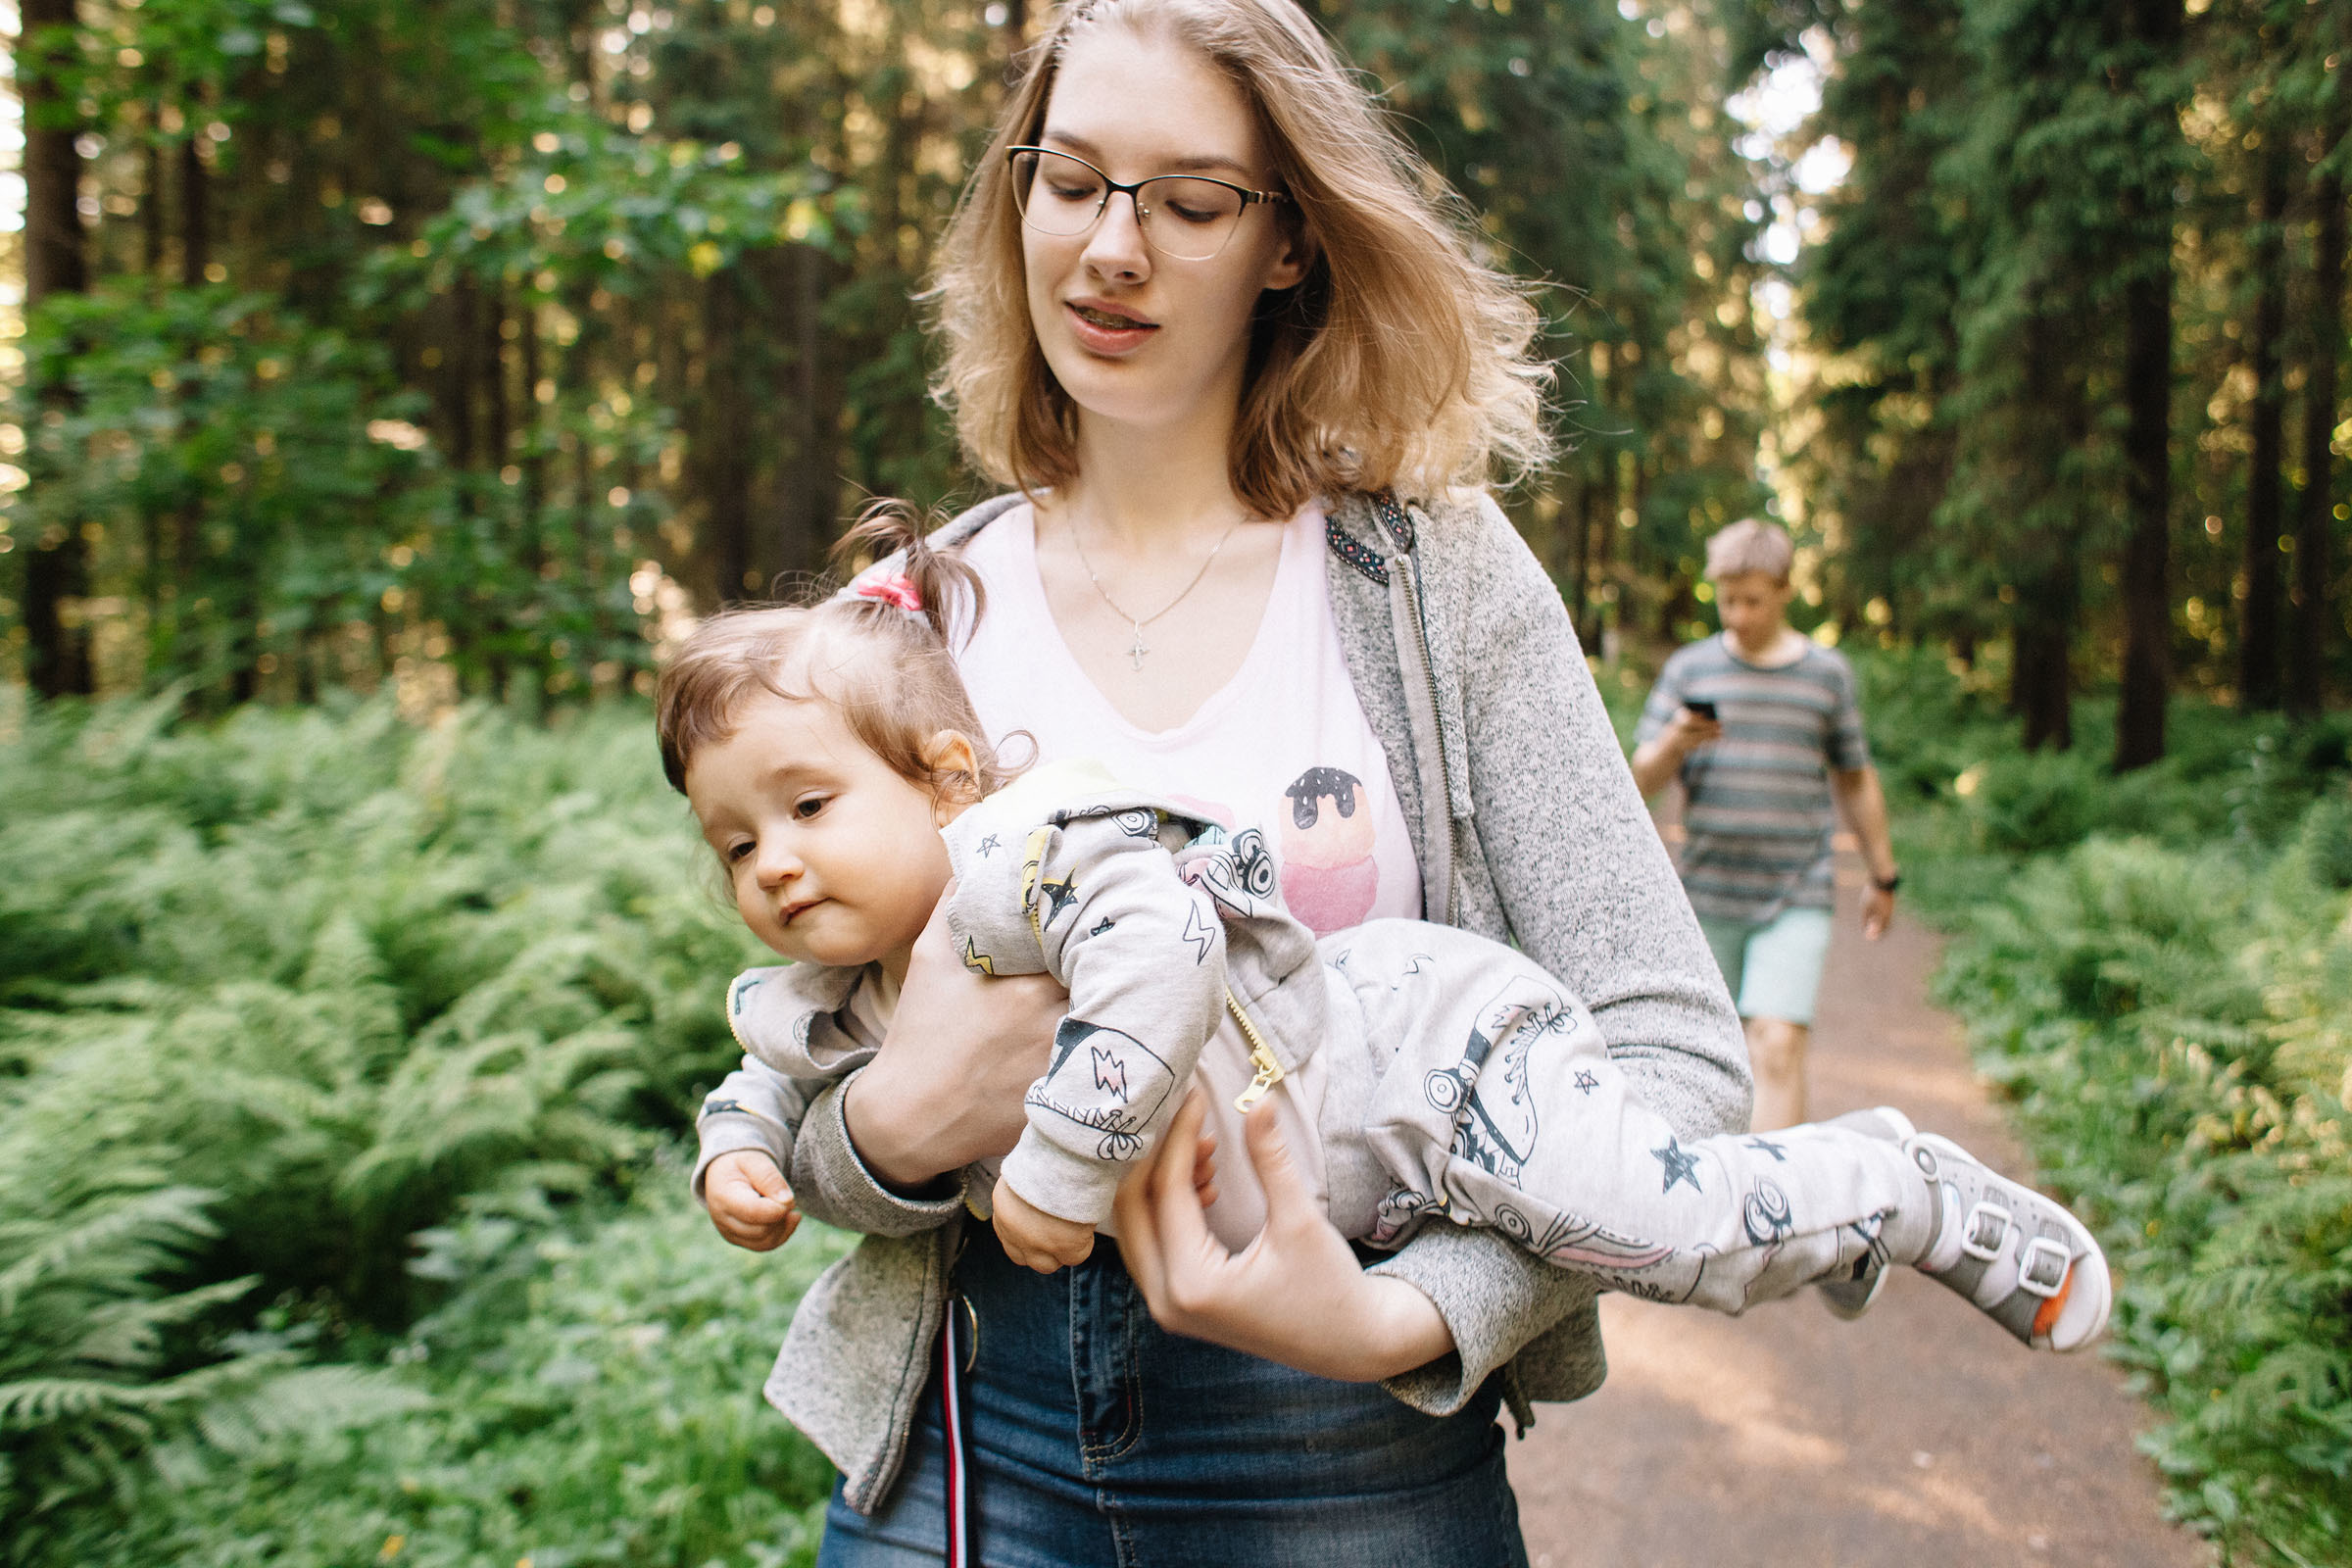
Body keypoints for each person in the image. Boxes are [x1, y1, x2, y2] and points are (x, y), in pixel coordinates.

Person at [694, 1, 1757, 1561]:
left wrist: (1407, 1312)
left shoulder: (1436, 585)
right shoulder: (907, 623)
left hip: (1352, 1462)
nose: (1112, 249)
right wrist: (894, 1131)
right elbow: (803, 1064)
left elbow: (1677, 1063)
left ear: (1289, 244)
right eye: (1070, 182)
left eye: (1188, 203)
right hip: (970, 1444)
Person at [662, 532, 2111, 1377]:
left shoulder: (1007, 865)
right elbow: (777, 1083)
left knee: (1660, 1231)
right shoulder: (847, 934)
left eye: (805, 810)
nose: (774, 862)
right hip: (991, 1432)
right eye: (735, 847)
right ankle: (1830, 1212)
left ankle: (1889, 1188)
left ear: (947, 775)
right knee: (1677, 1236)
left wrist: (1392, 1315)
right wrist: (758, 1154)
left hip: (1422, 1066)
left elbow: (1161, 940)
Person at [1630, 518, 1902, 1131]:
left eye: (1752, 600)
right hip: (1706, 895)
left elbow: (1855, 778)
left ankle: (1769, 1218)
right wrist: (1675, 739)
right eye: (1727, 600)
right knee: (1706, 1061)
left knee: (1776, 1046)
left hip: (1795, 892)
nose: (1738, 616)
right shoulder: (1690, 670)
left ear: (1784, 591)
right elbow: (1640, 777)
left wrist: (1883, 875)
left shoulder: (1826, 677)